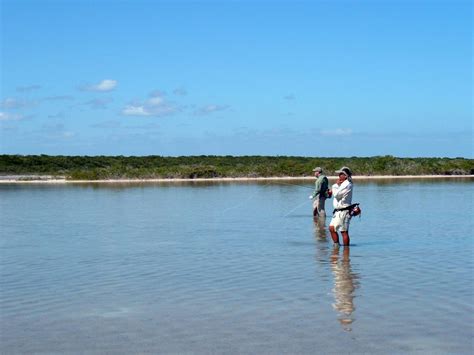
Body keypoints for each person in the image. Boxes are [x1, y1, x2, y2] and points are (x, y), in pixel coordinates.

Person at [329, 167, 353, 246]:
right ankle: (337, 246)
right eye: (339, 174)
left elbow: (337, 195)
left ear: (346, 176)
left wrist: (335, 185)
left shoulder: (347, 185)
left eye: (341, 174)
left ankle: (346, 251)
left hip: (344, 211)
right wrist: (337, 186)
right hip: (337, 211)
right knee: (331, 228)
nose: (339, 175)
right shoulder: (342, 184)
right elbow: (337, 194)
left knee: (343, 231)